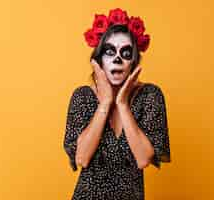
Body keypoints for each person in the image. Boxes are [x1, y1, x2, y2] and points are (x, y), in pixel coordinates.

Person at [63, 8, 171, 200]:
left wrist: (122, 103)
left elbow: (143, 158)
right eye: (110, 51)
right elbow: (82, 157)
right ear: (99, 60)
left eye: (126, 52)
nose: (117, 59)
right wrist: (105, 103)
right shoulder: (83, 97)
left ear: (134, 61)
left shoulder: (149, 96)